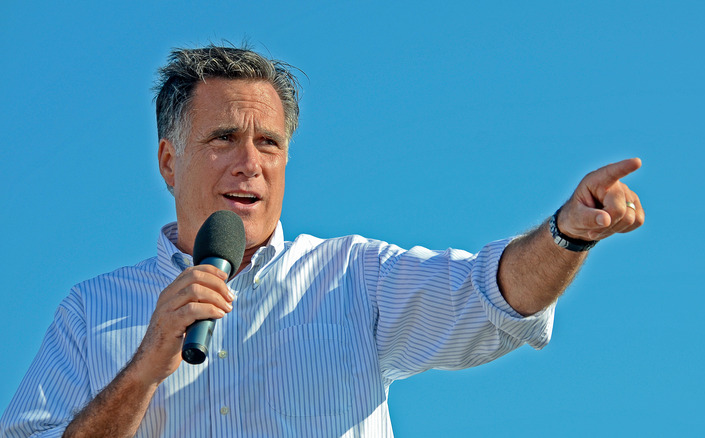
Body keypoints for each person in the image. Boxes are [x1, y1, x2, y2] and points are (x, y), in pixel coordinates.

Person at [1, 45, 644, 437]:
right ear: (170, 161)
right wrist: (141, 374)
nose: (249, 163)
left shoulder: (353, 278)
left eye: (269, 143)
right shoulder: (91, 313)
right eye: (223, 138)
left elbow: (491, 294)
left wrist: (565, 233)